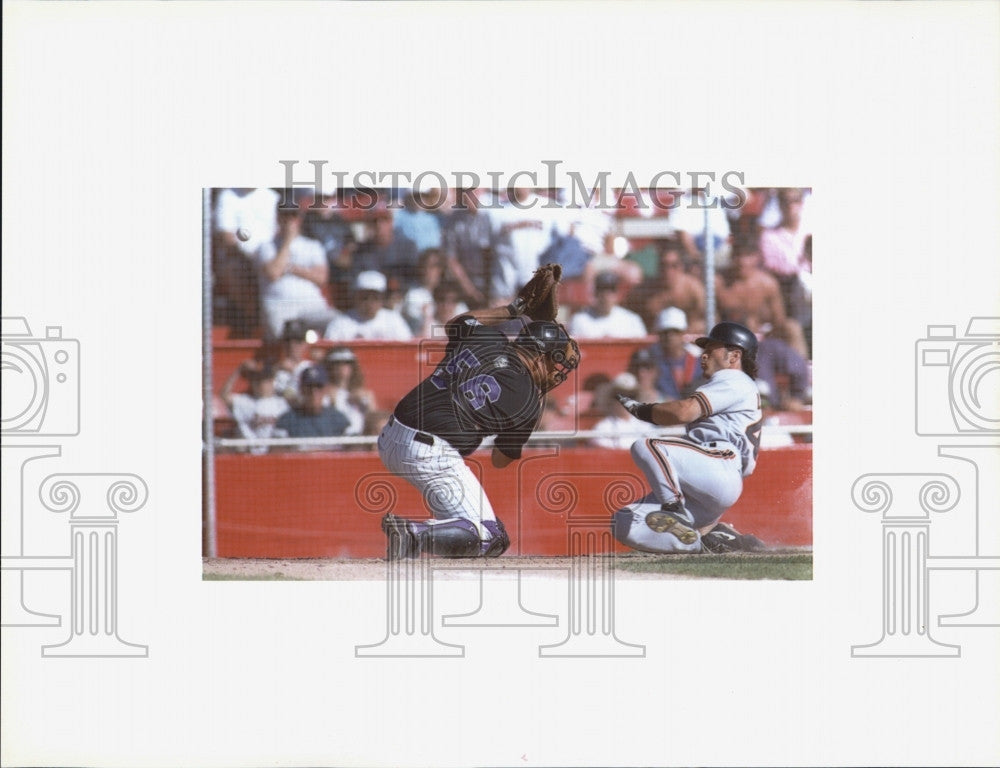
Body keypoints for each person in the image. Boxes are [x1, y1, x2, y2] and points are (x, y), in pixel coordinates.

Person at [378, 304, 581, 559]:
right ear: (540, 355)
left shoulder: (488, 337)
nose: (556, 372)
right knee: (488, 536)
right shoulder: (529, 399)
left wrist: (513, 308)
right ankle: (412, 533)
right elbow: (500, 459)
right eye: (555, 361)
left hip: (391, 435)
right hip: (429, 453)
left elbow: (455, 323)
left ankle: (423, 540)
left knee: (464, 532)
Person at [612, 321, 766, 554]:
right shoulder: (737, 384)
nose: (703, 356)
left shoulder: (734, 378)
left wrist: (643, 411)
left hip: (718, 463)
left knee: (647, 445)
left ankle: (674, 509)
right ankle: (705, 542)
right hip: (707, 480)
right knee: (623, 521)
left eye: (711, 350)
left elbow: (683, 412)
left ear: (734, 356)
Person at [715, 239, 809, 359]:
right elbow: (712, 318)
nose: (742, 262)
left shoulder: (768, 284)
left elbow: (779, 320)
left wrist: (763, 330)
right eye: (738, 256)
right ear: (732, 257)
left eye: (747, 256)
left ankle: (800, 371)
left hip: (763, 335)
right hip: (729, 336)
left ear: (756, 258)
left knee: (792, 327)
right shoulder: (719, 284)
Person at [256, 205, 340, 340]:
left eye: (293, 216)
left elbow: (321, 278)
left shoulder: (312, 246)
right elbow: (273, 272)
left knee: (338, 322)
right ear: (278, 218)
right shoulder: (266, 246)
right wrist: (287, 241)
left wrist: (292, 268)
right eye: (285, 216)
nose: (289, 221)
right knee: (280, 334)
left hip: (311, 305)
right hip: (279, 306)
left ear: (299, 219)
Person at [628, 241, 707, 334]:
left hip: (689, 341)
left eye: (674, 266)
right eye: (664, 265)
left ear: (681, 267)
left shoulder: (694, 289)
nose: (668, 271)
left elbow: (711, 319)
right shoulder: (647, 292)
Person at [219, 359, 290, 452]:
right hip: (249, 454)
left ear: (272, 381)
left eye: (264, 380)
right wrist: (238, 370)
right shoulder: (246, 402)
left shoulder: (283, 403)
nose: (260, 384)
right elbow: (224, 395)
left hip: (274, 454)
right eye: (257, 380)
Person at [323, 270, 413, 341]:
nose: (370, 302)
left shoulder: (394, 320)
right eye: (365, 297)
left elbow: (406, 350)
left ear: (382, 298)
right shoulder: (340, 323)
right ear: (355, 297)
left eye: (375, 297)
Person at [274, 365, 351, 440]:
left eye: (319, 386)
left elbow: (355, 450)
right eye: (309, 387)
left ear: (326, 389)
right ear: (301, 389)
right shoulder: (287, 421)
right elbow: (277, 451)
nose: (314, 392)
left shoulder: (338, 420)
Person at [567, 271, 648, 339]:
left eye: (611, 290)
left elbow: (641, 350)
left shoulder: (632, 320)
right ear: (595, 293)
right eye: (602, 290)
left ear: (617, 294)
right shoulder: (580, 320)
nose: (606, 296)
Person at [644, 307, 702, 400]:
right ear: (658, 334)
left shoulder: (698, 361)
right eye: (665, 332)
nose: (669, 337)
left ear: (684, 333)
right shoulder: (651, 362)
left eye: (675, 332)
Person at [588, 373, 656, 450]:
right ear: (612, 398)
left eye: (631, 396)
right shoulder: (602, 428)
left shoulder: (645, 426)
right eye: (620, 396)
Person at [322, 346, 377, 436]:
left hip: (360, 440)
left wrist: (368, 404)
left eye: (346, 363)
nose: (341, 367)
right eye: (337, 363)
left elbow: (375, 422)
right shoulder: (324, 393)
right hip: (336, 440)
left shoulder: (363, 394)